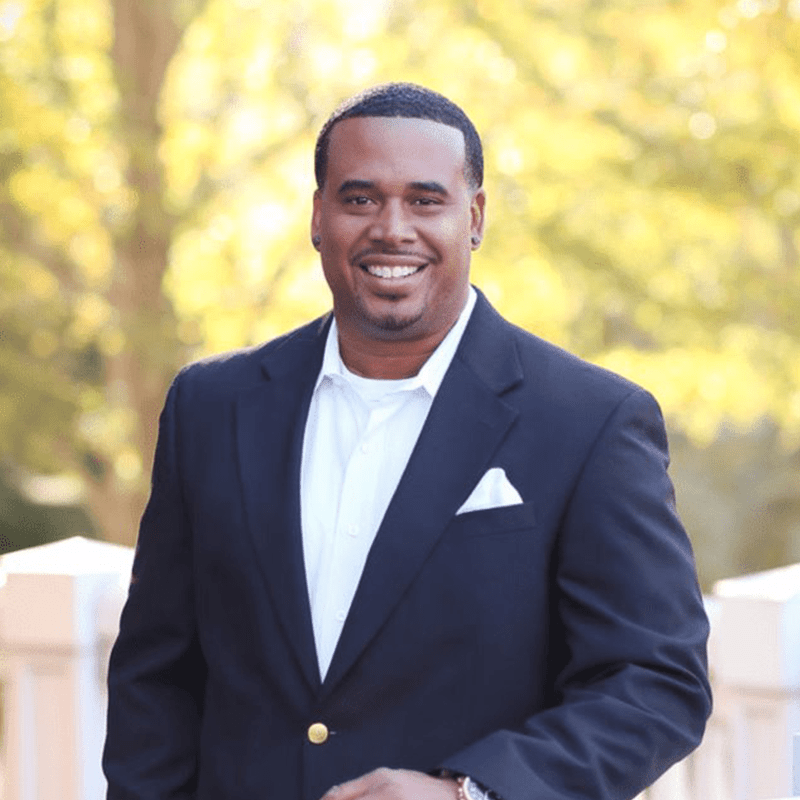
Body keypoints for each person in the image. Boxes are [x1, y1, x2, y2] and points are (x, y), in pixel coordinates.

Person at [103, 82, 711, 800]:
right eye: (359, 198)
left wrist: (471, 792)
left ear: (475, 216)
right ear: (317, 216)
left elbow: (653, 681)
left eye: (426, 200)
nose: (393, 228)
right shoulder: (211, 406)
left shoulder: (591, 421)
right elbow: (158, 676)